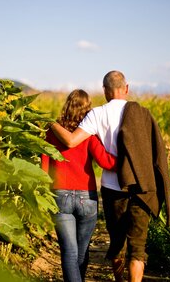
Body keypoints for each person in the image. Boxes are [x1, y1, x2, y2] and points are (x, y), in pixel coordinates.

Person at [51, 71, 170, 282]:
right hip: (142, 187)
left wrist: (49, 123)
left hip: (113, 190)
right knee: (138, 248)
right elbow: (156, 152)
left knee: (117, 244)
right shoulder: (143, 114)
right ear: (126, 88)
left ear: (105, 91)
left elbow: (71, 141)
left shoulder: (96, 115)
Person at [41, 89, 117, 282]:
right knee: (81, 252)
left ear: (67, 105)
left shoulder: (52, 132)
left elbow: (43, 167)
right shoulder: (89, 134)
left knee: (69, 252)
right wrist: (129, 158)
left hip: (59, 196)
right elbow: (107, 162)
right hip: (87, 197)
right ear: (88, 108)